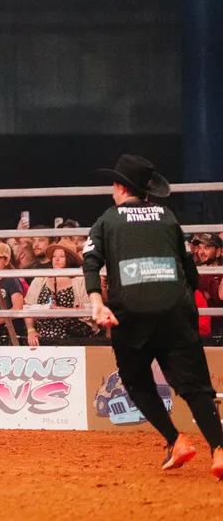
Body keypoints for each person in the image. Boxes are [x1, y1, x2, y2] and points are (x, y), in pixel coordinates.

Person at [83, 155, 223, 479]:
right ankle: (218, 449)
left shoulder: (107, 220)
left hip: (129, 316)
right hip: (174, 312)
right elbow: (189, 270)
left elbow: (90, 262)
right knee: (196, 387)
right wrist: (186, 308)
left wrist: (96, 302)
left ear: (120, 186)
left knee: (136, 381)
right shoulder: (168, 217)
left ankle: (175, 441)